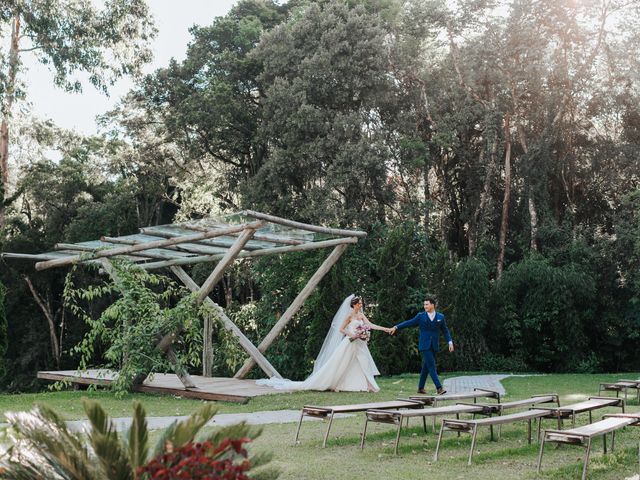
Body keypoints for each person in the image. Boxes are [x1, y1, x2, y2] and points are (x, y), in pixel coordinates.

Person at [256, 295, 391, 392]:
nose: (361, 305)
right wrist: (353, 334)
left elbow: (370, 325)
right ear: (354, 304)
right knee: (342, 364)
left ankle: (369, 385)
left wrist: (384, 329)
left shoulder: (361, 316)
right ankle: (334, 382)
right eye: (359, 303)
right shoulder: (349, 316)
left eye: (361, 303)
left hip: (360, 343)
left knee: (364, 362)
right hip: (350, 342)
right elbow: (341, 329)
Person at [390, 297, 453, 395]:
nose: (425, 306)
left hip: (434, 346)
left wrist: (450, 342)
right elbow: (409, 323)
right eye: (424, 305)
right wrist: (396, 327)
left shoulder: (441, 317)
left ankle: (420, 388)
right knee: (432, 366)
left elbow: (445, 330)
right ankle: (439, 388)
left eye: (427, 304)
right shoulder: (420, 316)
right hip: (424, 345)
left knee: (426, 367)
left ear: (432, 305)